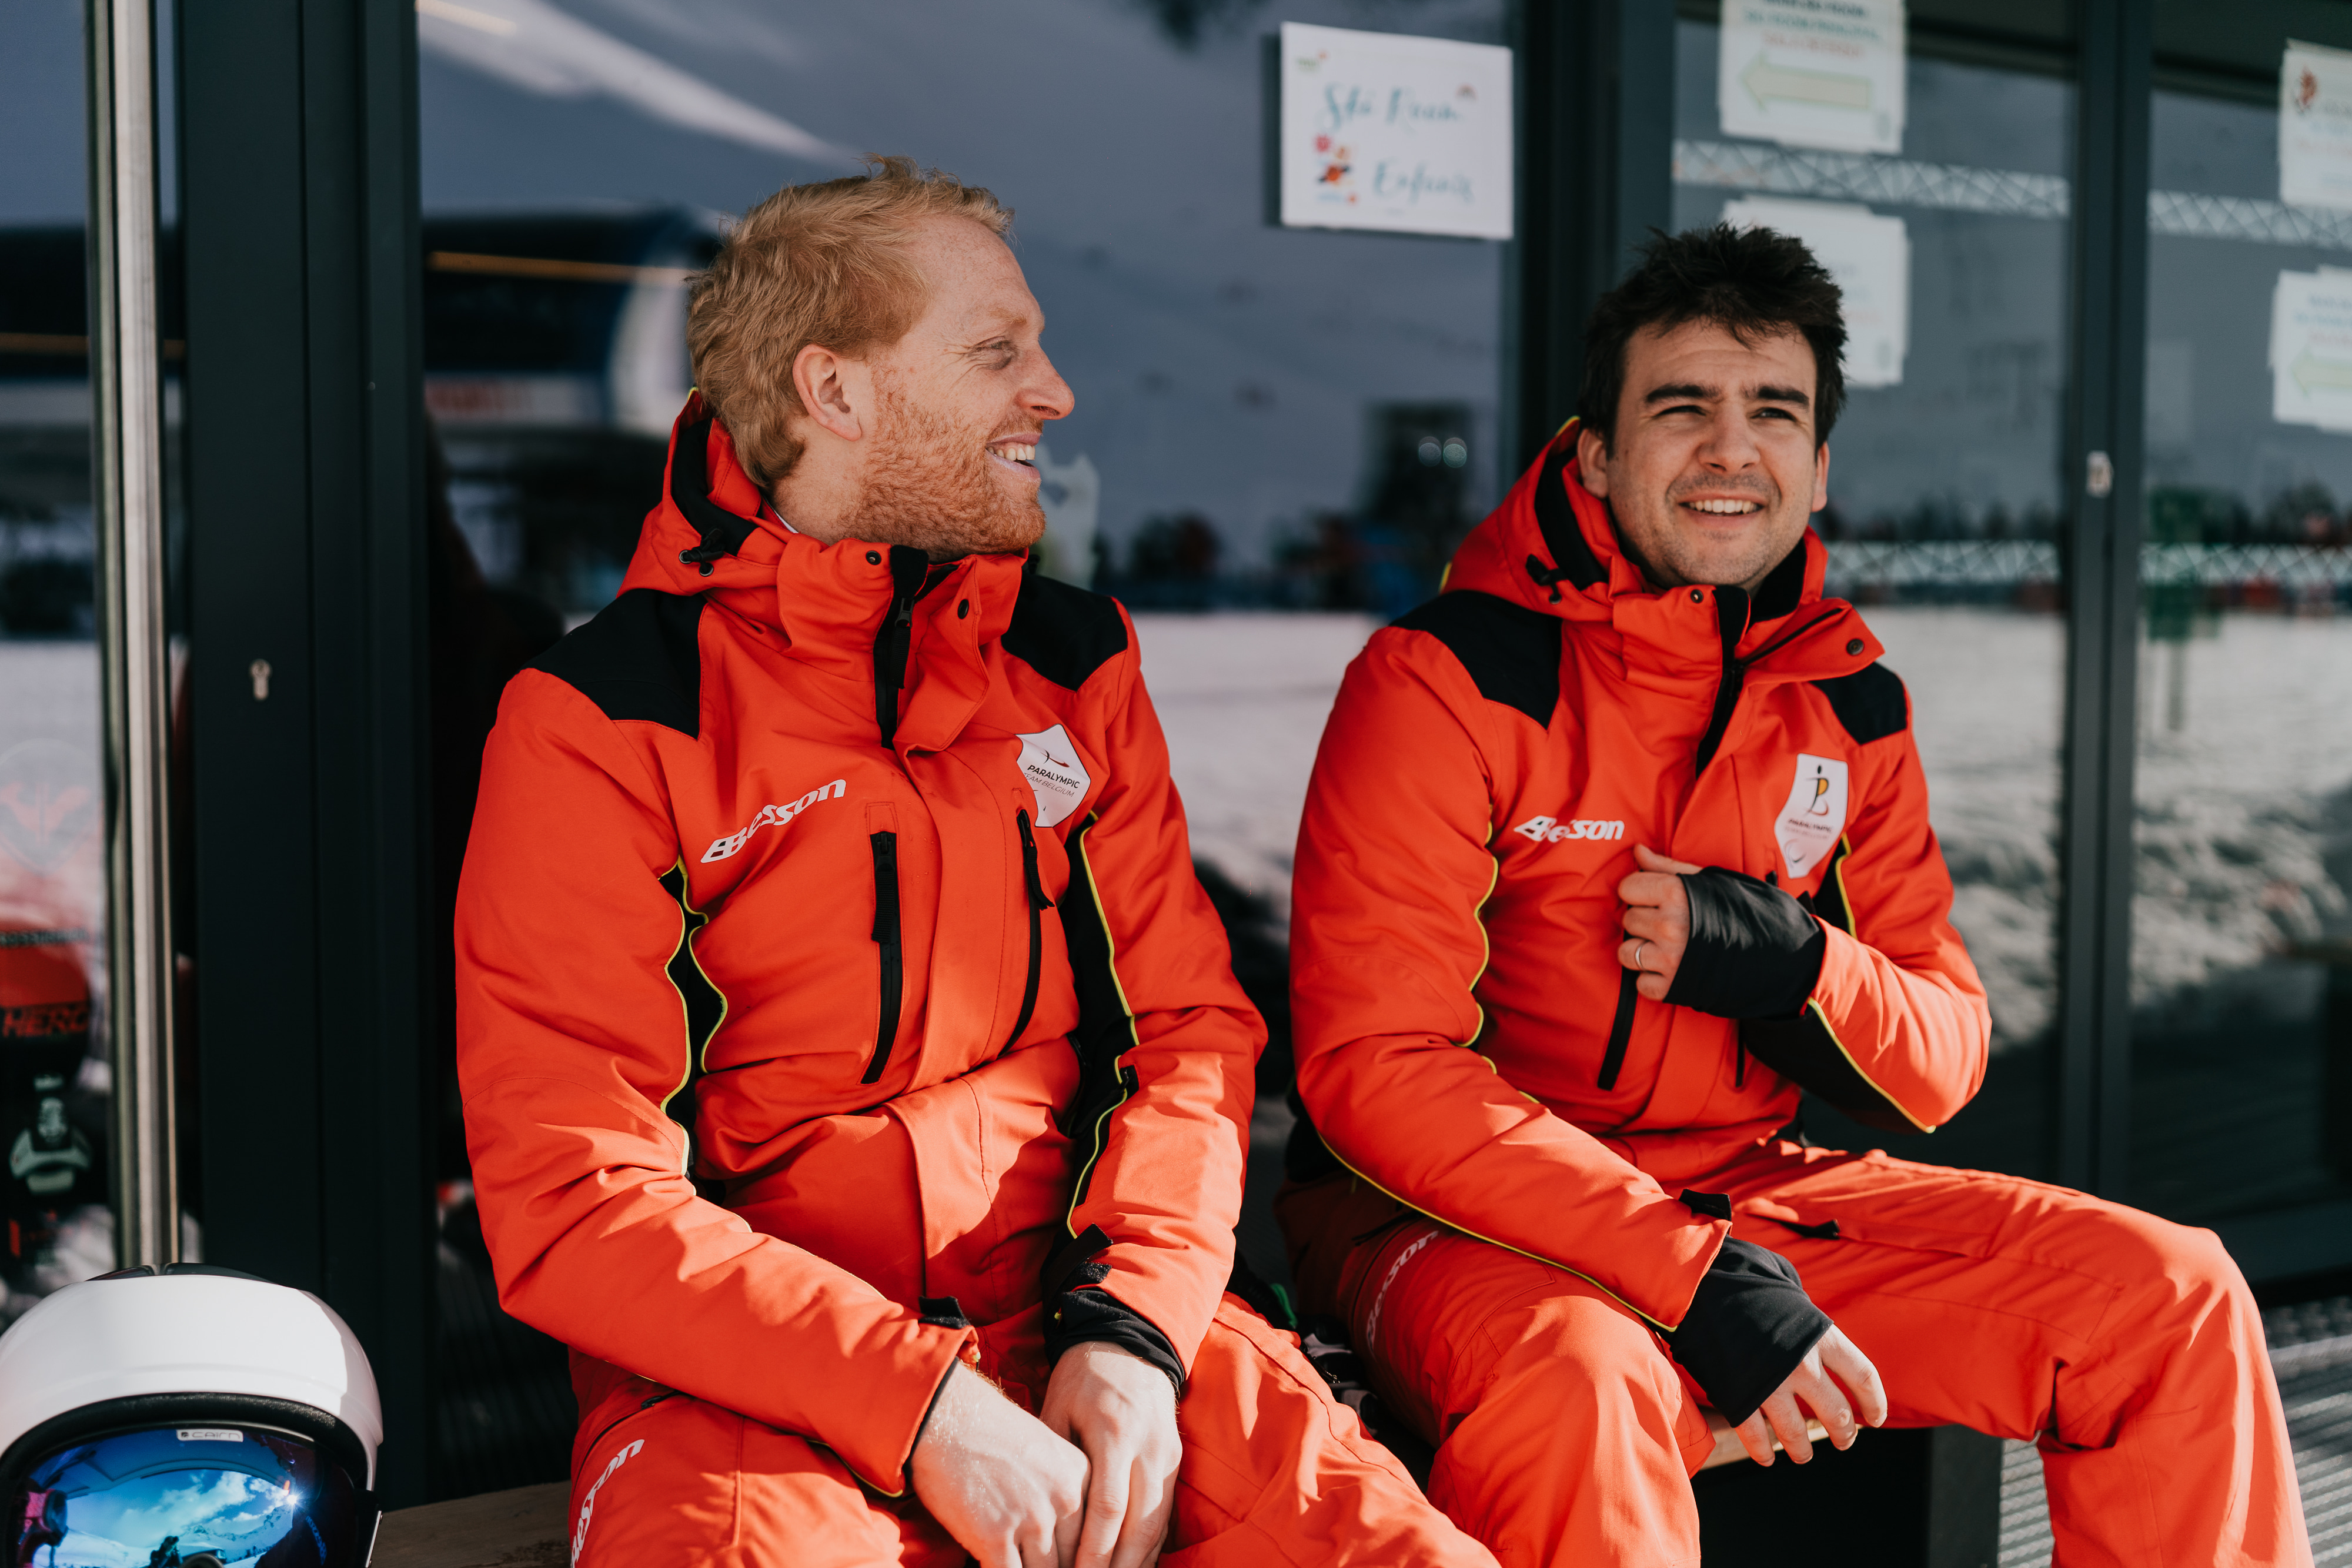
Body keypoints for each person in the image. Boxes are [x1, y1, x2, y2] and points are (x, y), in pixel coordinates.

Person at [454, 159, 1492, 1568]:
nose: (1053, 392)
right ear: (835, 391)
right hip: (749, 1390)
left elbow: (1184, 1032)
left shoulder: (1068, 662)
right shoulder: (608, 719)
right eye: (999, 349)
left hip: (1088, 1319)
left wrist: (1134, 1325)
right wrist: (919, 1397)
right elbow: (577, 1198)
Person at [1275, 223, 2312, 1568]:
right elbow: (1374, 1066)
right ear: (1593, 452)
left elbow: (1943, 1053)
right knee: (1586, 1390)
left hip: (1739, 1199)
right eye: (1680, 406)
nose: (1728, 447)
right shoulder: (1444, 679)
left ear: (1816, 466)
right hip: (1452, 1221)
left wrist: (1796, 967)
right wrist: (1686, 1276)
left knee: (2167, 1296)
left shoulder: (1847, 701)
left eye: (1771, 410)